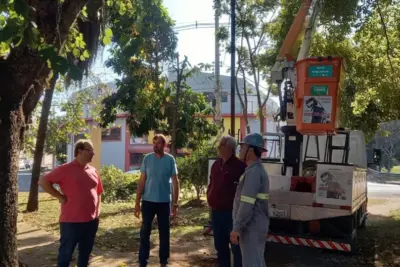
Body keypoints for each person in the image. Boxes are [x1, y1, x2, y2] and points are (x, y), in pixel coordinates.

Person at [38, 139, 103, 267]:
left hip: (91, 222)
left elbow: (99, 191)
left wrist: (97, 212)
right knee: (65, 256)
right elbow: (43, 181)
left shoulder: (93, 171)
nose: (93, 153)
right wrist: (59, 196)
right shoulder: (65, 169)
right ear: (80, 150)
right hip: (71, 222)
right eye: (90, 150)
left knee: (85, 256)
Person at [134, 134, 180, 267]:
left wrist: (175, 204)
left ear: (164, 145)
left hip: (164, 202)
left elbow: (176, 182)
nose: (155, 146)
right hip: (148, 201)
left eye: (158, 143)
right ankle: (143, 261)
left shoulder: (170, 159)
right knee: (145, 232)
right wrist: (137, 201)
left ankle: (163, 261)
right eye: (154, 143)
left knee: (164, 233)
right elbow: (142, 180)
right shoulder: (147, 159)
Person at [230, 133, 269, 267]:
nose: (240, 150)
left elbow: (246, 203)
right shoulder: (253, 170)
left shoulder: (254, 172)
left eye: (243, 147)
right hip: (253, 226)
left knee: (253, 263)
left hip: (251, 227)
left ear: (251, 150)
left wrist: (237, 227)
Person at [207, 135, 246, 267]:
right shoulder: (216, 164)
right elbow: (211, 183)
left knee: (236, 248)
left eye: (221, 145)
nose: (218, 148)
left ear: (230, 148)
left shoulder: (240, 167)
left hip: (232, 214)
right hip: (216, 212)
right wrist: (209, 196)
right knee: (220, 247)